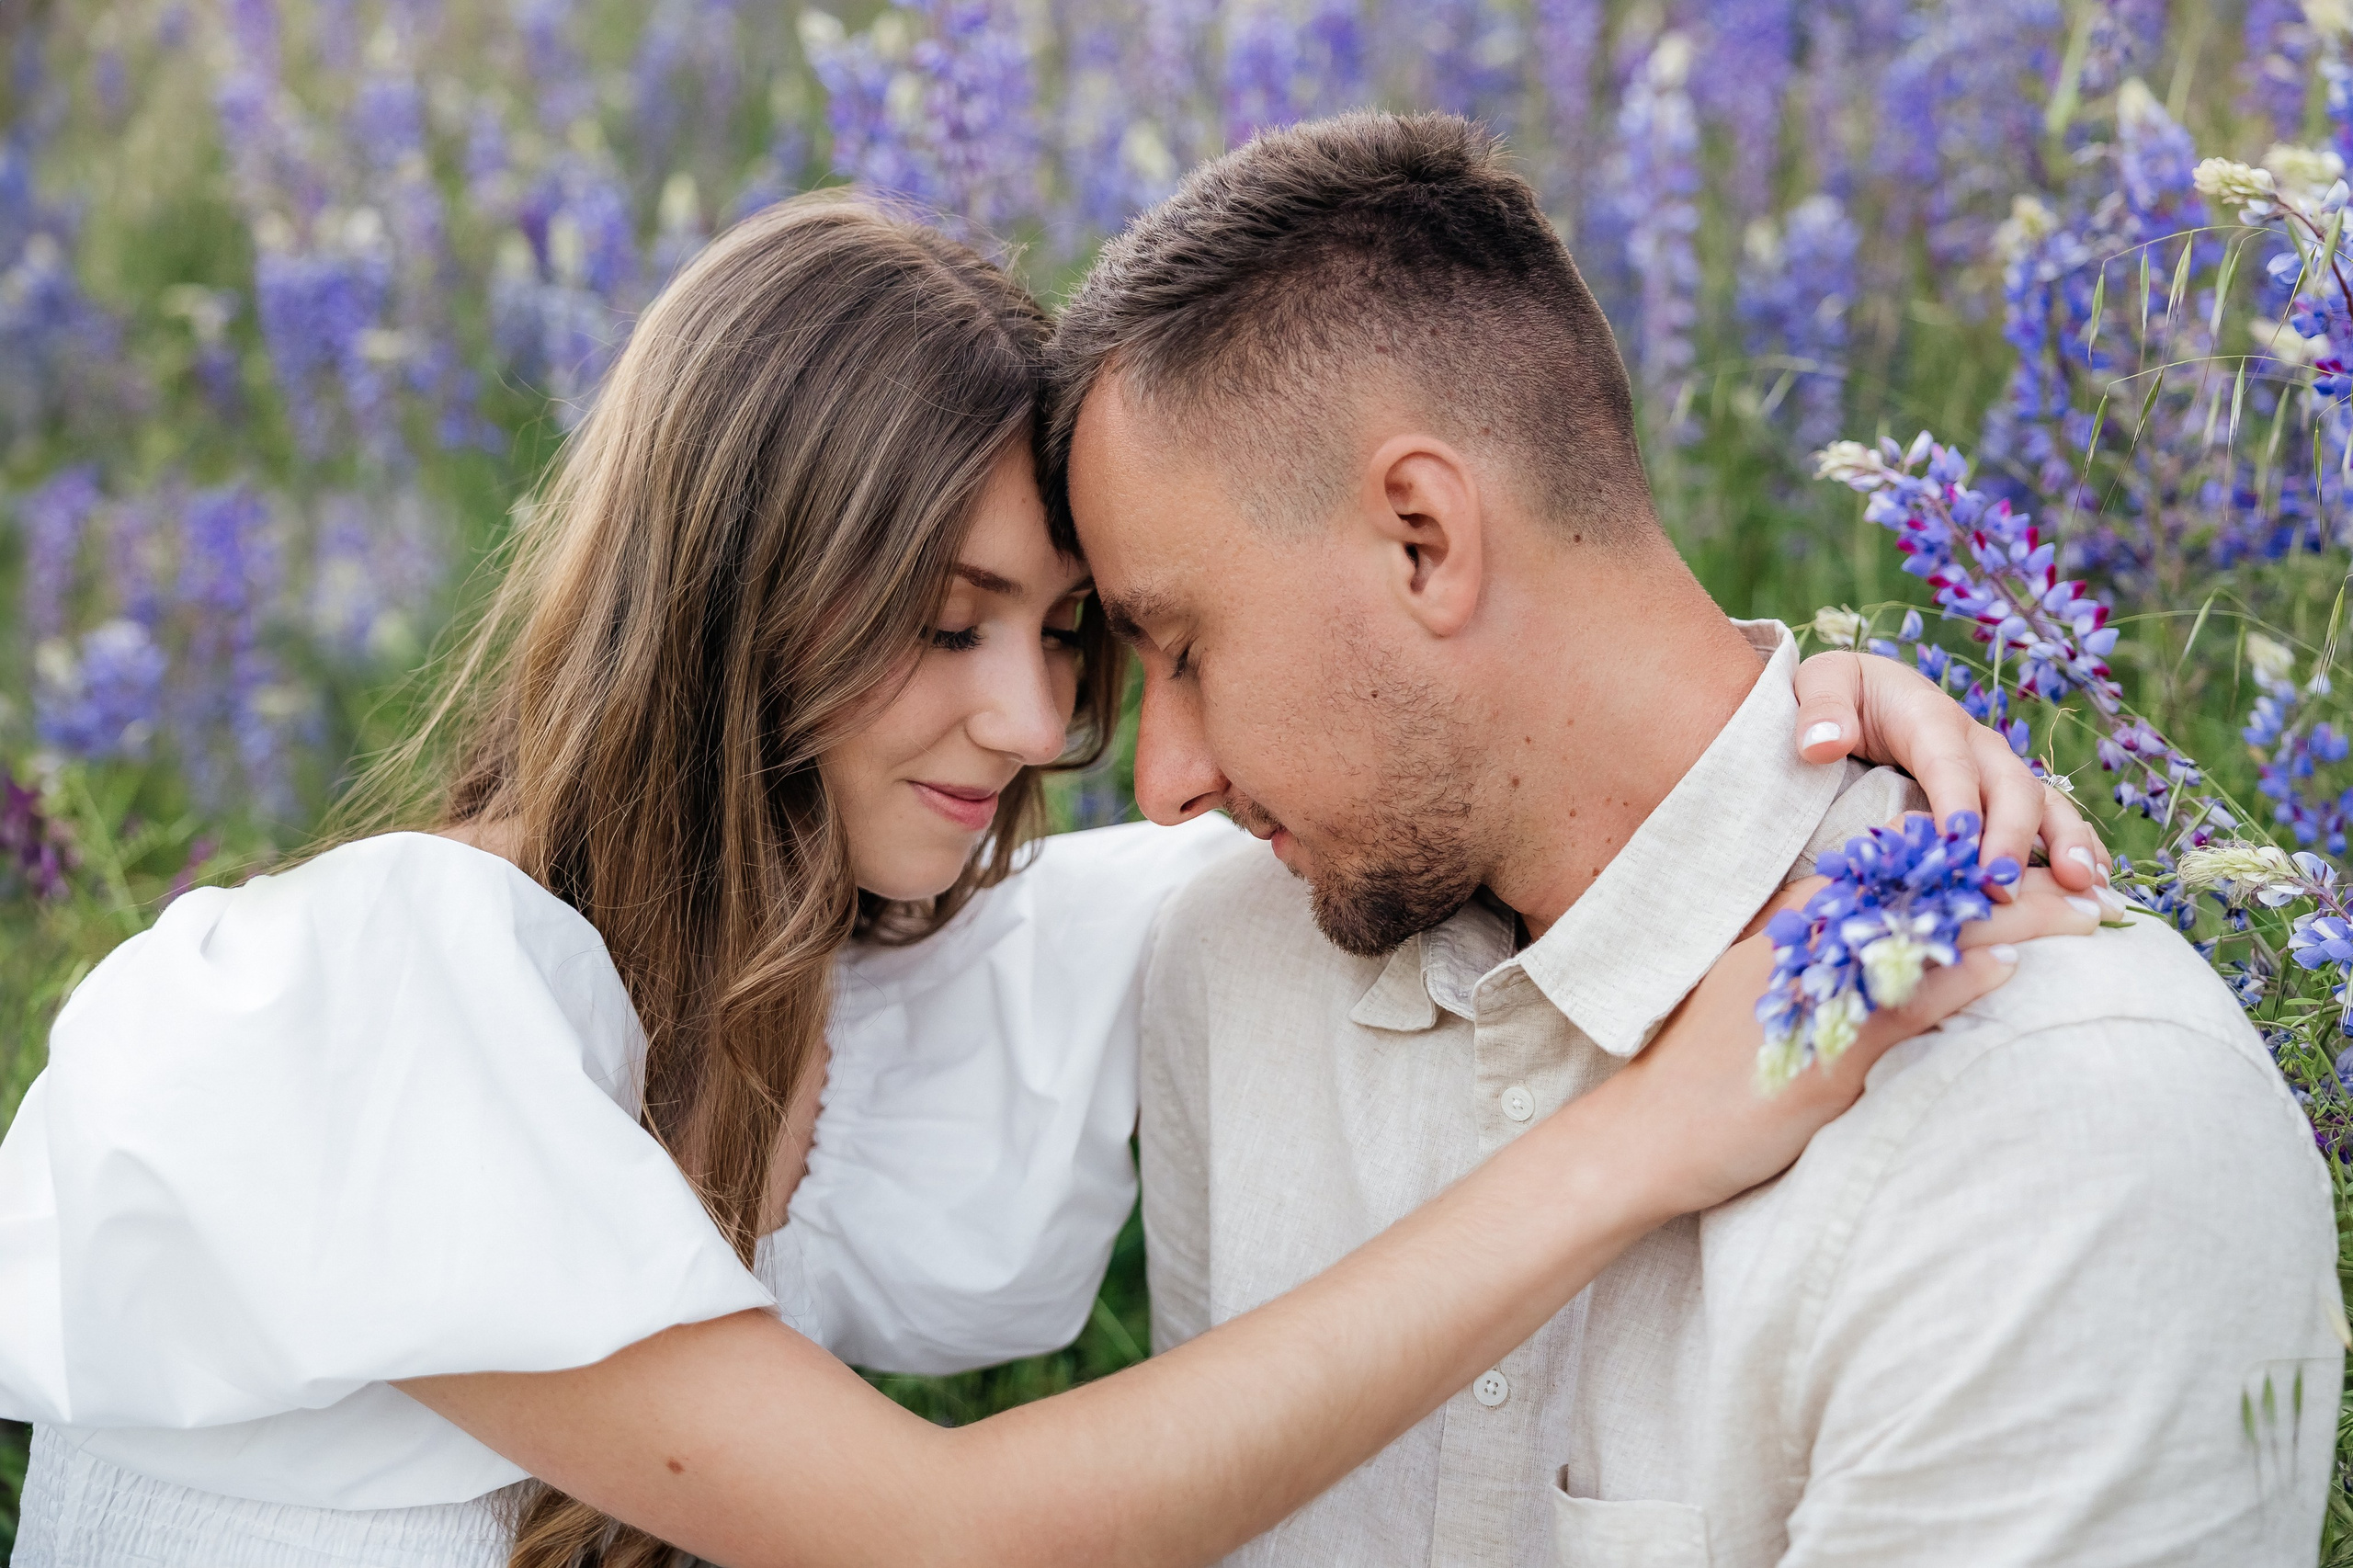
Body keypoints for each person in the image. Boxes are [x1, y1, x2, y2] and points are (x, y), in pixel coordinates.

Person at [1, 194, 2106, 1568]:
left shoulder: (861, 1004)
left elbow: (1491, 775)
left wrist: (1795, 718)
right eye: (941, 620)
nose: (1036, 720)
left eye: (1082, 633)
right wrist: (1644, 1139)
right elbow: (935, 1534)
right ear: (736, 590)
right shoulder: (376, 992)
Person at [1042, 111, 2347, 1566]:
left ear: (1423, 536)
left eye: (1183, 649)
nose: (1163, 782)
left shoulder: (2070, 1122)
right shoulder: (1229, 959)